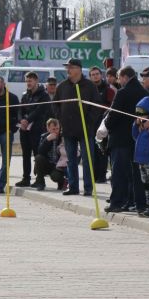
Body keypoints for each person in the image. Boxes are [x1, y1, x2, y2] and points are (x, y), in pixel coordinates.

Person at [55, 58, 101, 196]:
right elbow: (55, 104)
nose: (68, 70)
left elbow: (96, 105)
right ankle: (73, 186)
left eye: (70, 67)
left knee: (87, 160)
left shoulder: (90, 86)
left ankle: (88, 188)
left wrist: (89, 121)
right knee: (71, 159)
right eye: (67, 68)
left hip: (86, 129)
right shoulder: (62, 86)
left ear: (79, 69)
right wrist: (61, 118)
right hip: (68, 129)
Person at [104, 66, 146, 213]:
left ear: (124, 77)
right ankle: (134, 202)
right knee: (134, 174)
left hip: (120, 139)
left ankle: (117, 202)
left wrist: (106, 125)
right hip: (137, 138)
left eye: (119, 78)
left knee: (119, 173)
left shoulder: (122, 93)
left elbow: (113, 116)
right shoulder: (143, 92)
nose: (118, 81)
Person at [15, 71, 50, 188]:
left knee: (37, 154)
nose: (28, 83)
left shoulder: (43, 95)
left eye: (30, 81)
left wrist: (28, 120)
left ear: (36, 81)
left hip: (37, 129)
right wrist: (21, 121)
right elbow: (20, 110)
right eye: (26, 81)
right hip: (25, 129)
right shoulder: (25, 95)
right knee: (25, 154)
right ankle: (26, 178)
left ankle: (40, 180)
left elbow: (40, 110)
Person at [132, 96, 149, 220]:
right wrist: (135, 124)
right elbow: (134, 136)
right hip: (142, 161)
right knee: (147, 184)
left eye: (141, 114)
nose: (139, 116)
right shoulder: (142, 127)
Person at [89, 66, 115, 183]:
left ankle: (101, 176)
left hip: (103, 124)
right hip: (91, 123)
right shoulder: (88, 89)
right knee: (92, 150)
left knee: (101, 150)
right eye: (93, 74)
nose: (95, 76)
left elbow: (111, 107)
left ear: (101, 75)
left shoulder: (108, 89)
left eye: (97, 74)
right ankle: (93, 175)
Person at [34, 118, 68, 191]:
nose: (56, 131)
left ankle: (62, 182)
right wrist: (47, 140)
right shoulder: (44, 136)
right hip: (48, 163)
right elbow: (40, 151)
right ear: (48, 128)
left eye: (57, 128)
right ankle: (40, 183)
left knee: (55, 176)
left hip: (59, 165)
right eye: (53, 129)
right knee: (38, 158)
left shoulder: (62, 137)